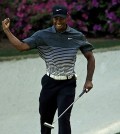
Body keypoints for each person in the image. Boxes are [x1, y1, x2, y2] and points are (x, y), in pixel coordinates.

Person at [2, 5, 95, 134]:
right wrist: (7, 31)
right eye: (55, 18)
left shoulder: (77, 36)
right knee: (46, 120)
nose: (58, 21)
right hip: (49, 83)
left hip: (68, 84)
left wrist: (89, 80)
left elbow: (90, 57)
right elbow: (21, 47)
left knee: (63, 120)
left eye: (61, 19)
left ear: (67, 17)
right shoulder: (42, 35)